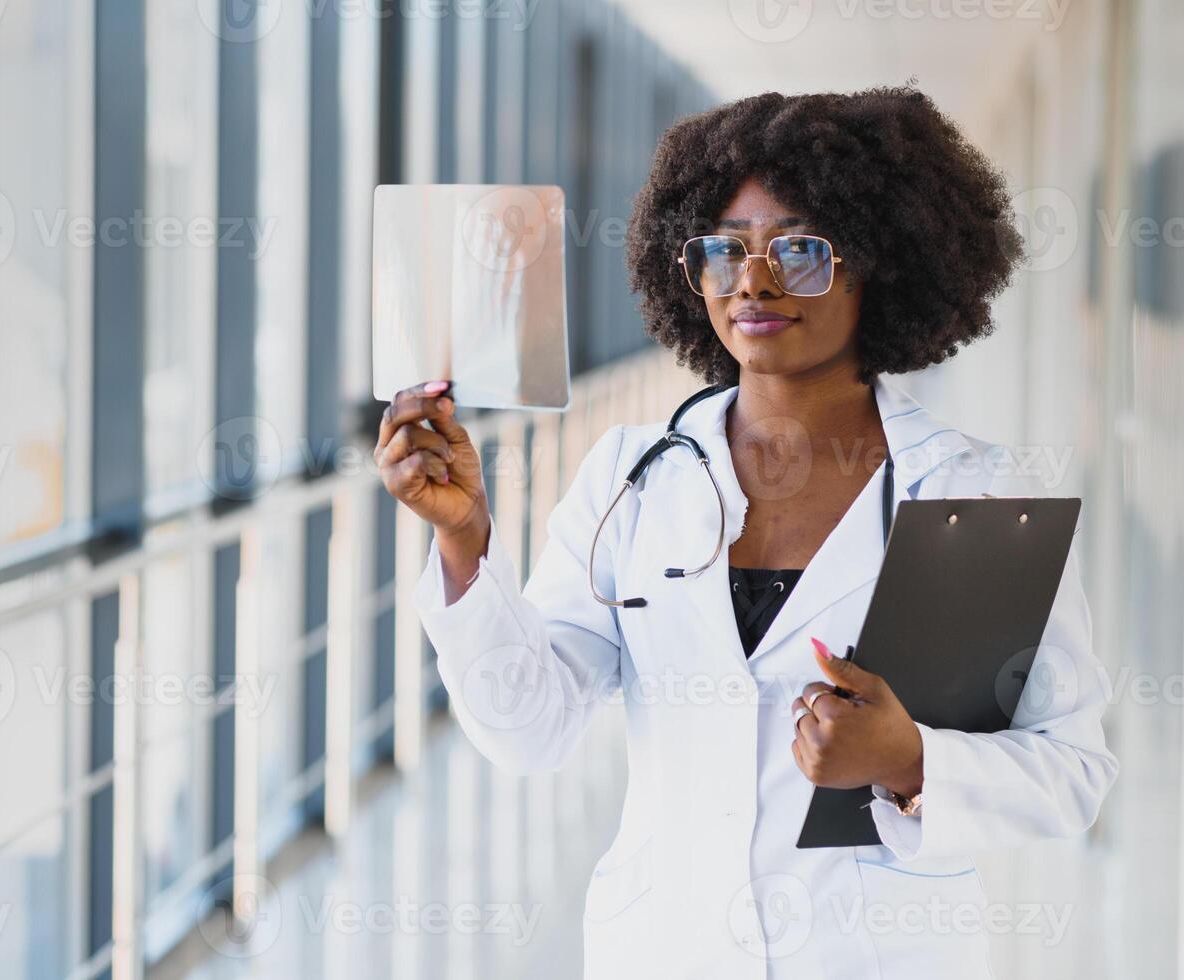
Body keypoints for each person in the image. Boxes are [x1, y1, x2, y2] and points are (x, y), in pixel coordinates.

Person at [375, 86, 1117, 979]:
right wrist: (463, 545)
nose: (754, 281)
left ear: (880, 262)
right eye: (724, 250)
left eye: (799, 249)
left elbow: (1073, 768)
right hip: (664, 947)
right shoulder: (629, 476)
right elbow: (529, 730)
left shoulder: (976, 495)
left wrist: (914, 761)